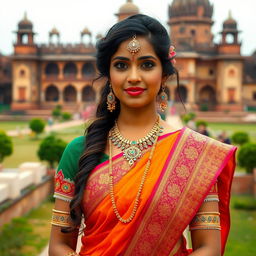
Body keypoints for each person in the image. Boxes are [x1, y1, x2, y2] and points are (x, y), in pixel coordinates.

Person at [49, 14, 236, 256]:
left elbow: (208, 248)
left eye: (147, 64)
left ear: (164, 75)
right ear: (109, 74)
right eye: (121, 65)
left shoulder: (194, 153)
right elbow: (58, 246)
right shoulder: (79, 151)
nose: (134, 76)